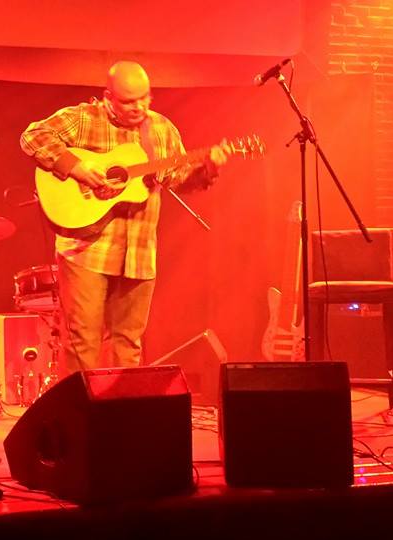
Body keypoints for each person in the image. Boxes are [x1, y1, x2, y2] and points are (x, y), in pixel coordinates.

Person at [20, 61, 236, 372]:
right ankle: (80, 405)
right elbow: (33, 136)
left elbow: (178, 179)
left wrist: (209, 168)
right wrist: (76, 167)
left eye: (144, 98)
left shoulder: (161, 129)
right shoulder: (84, 118)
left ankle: (123, 403)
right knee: (83, 341)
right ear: (108, 96)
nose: (138, 107)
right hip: (87, 251)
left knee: (128, 343)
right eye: (128, 101)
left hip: (139, 252)